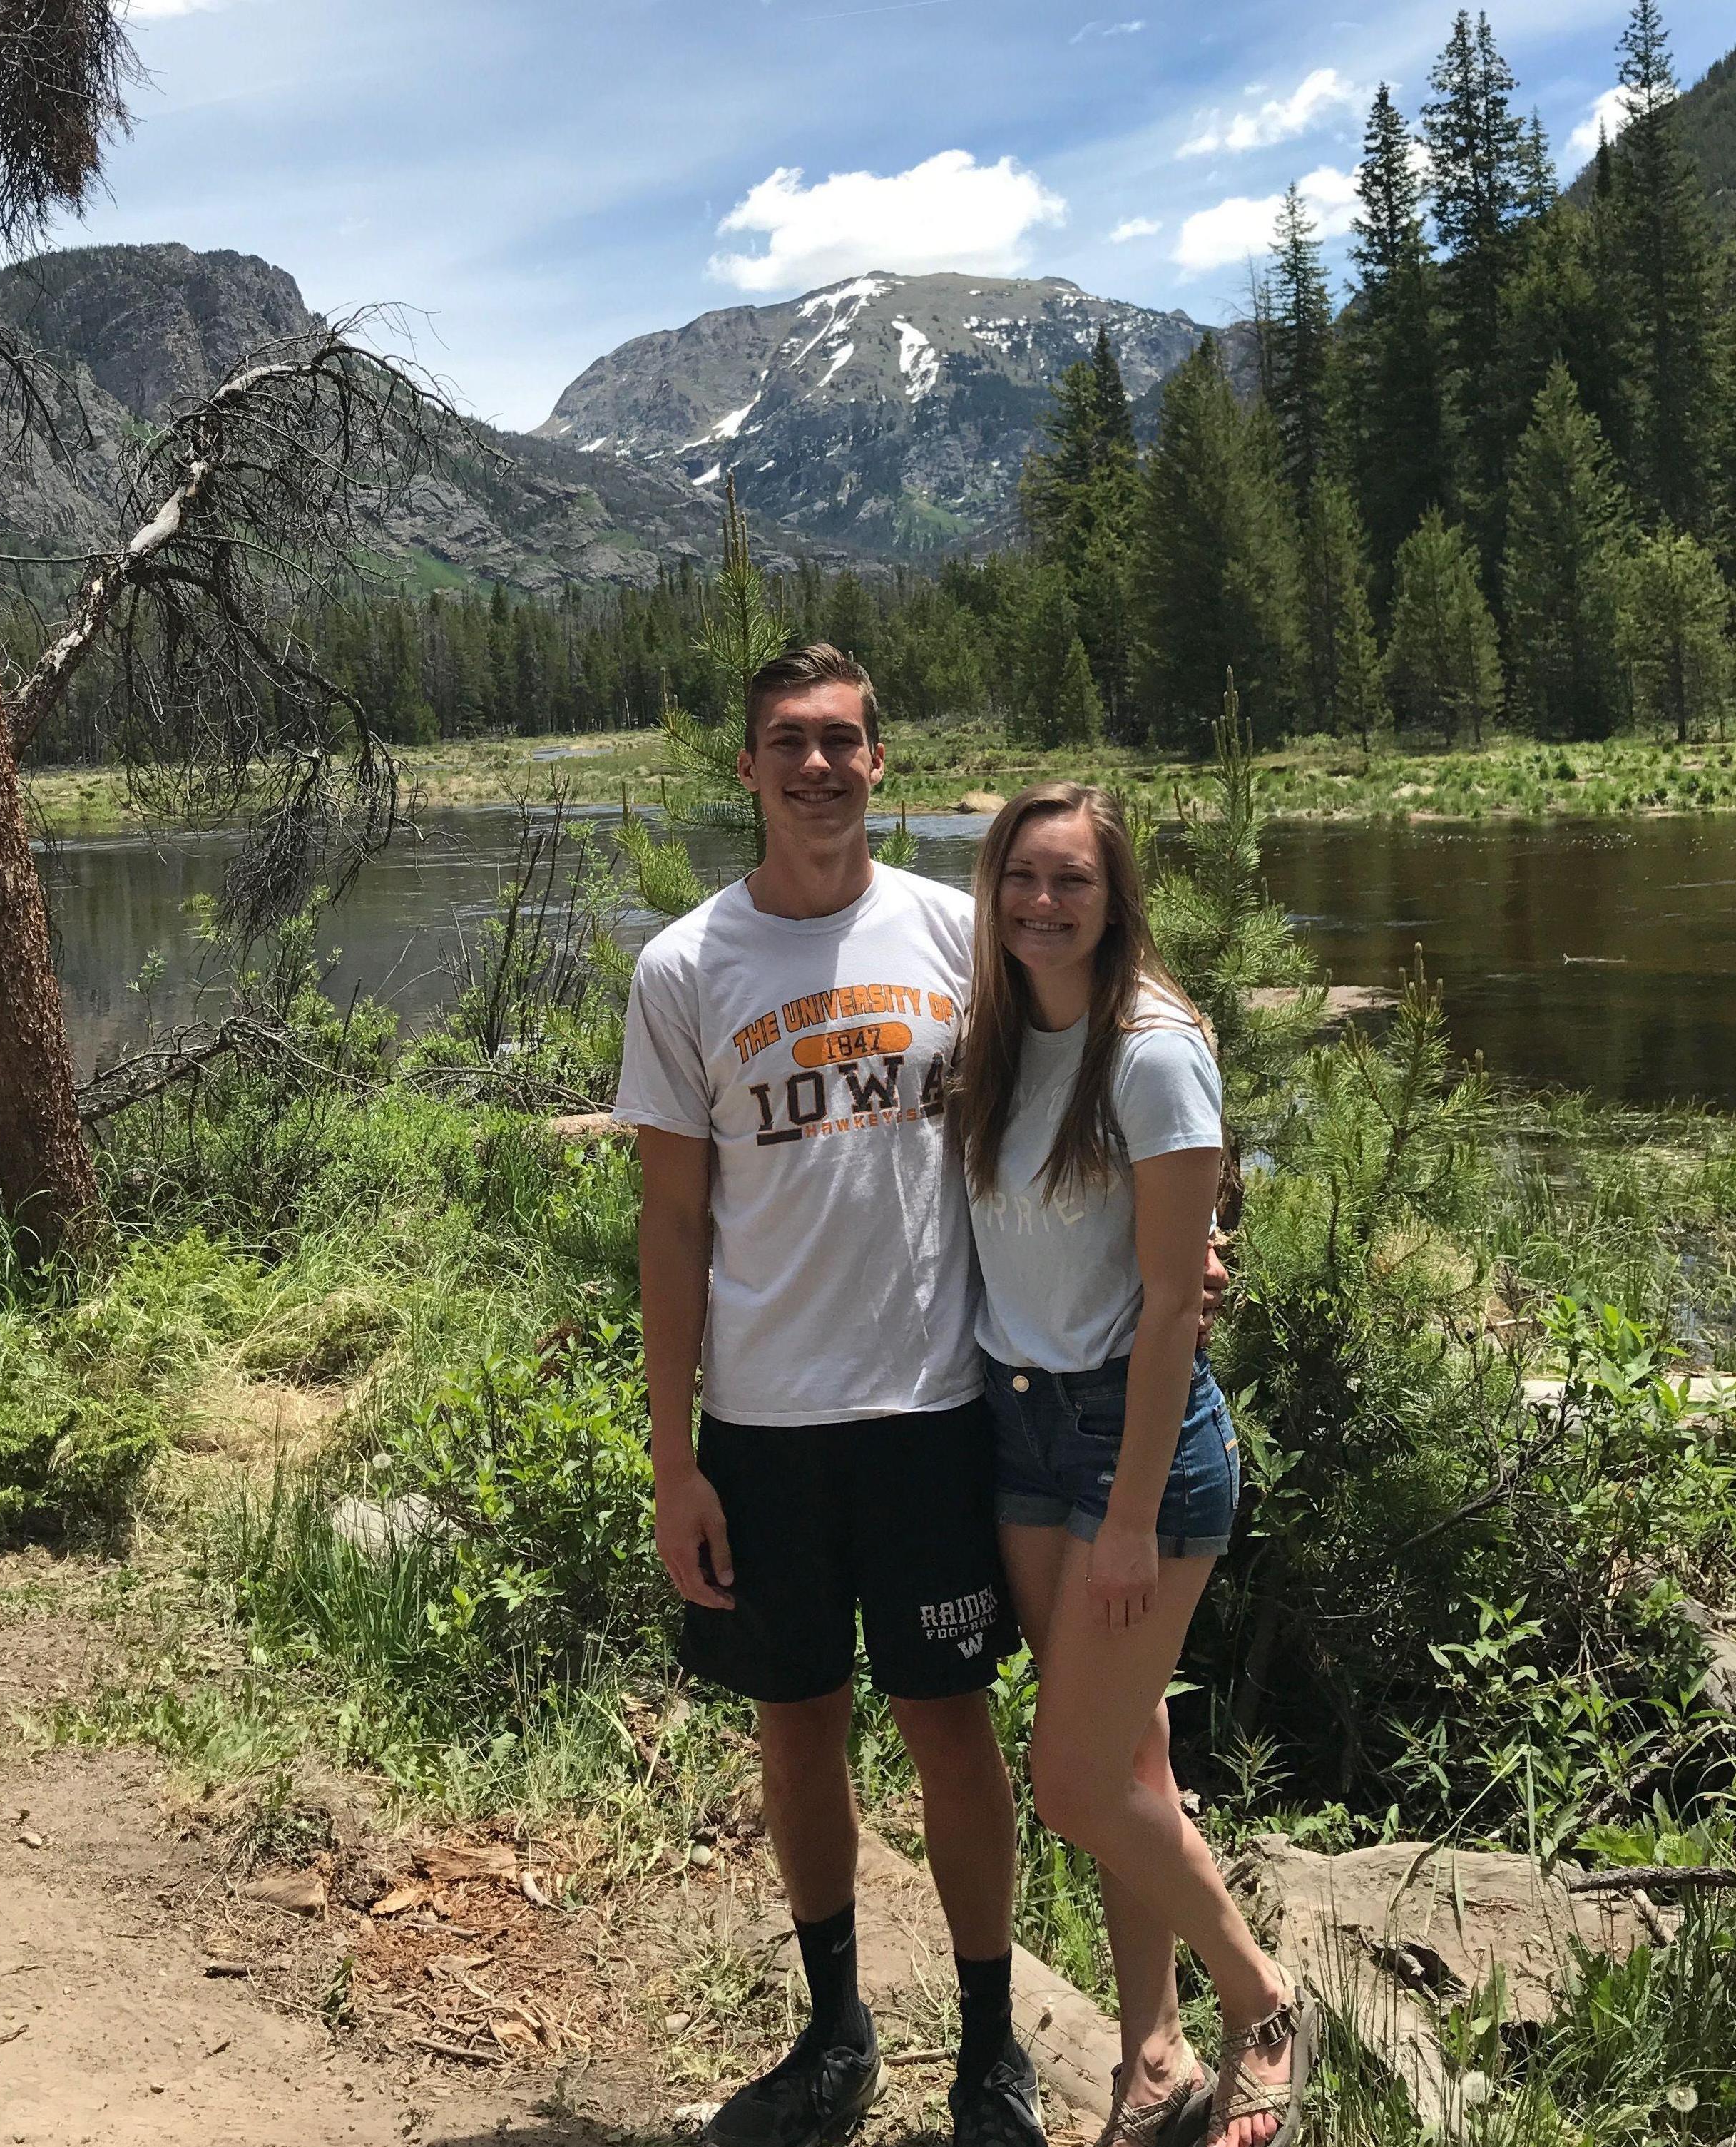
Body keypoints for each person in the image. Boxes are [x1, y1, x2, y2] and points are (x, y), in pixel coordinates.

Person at [614, 643, 1047, 2147]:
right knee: (794, 1726)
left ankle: (992, 2050)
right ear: (745, 767)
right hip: (765, 1433)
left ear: (881, 764)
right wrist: (675, 1462)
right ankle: (834, 2032)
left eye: (840, 742)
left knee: (952, 1727)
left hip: (931, 1413)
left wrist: (1192, 1218)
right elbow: (671, 1226)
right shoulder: (684, 968)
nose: (813, 767)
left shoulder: (953, 931)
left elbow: (1080, 1082)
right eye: (785, 742)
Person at [954, 785, 1315, 2147]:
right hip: (1019, 1424)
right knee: (1129, 1761)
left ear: (1115, 904)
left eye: (1073, 885)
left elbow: (1173, 1306)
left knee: (1071, 1780)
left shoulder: (1151, 1052)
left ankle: (1261, 2000)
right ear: (992, 893)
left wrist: (1123, 1514)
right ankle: (1149, 2056)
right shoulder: (999, 1033)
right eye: (1020, 881)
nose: (1042, 905)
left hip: (1131, 1447)